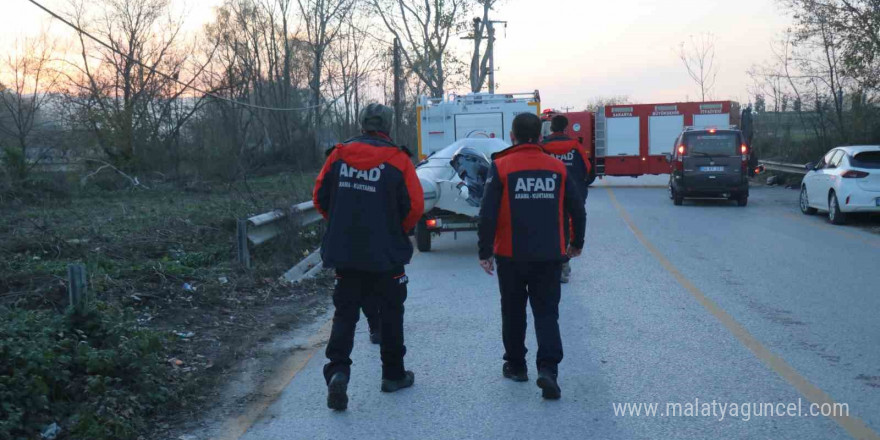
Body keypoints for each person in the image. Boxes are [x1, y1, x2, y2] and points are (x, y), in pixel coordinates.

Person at [313, 103, 424, 411]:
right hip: (386, 254)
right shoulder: (398, 159)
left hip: (346, 253)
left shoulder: (338, 155)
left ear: (361, 124)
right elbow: (415, 206)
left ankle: (337, 371)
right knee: (391, 312)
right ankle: (393, 375)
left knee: (345, 313)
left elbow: (319, 197)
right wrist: (395, 231)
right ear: (387, 126)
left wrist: (340, 224)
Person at [477, 112, 586, 400]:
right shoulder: (556, 168)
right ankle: (548, 370)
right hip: (550, 255)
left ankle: (516, 366)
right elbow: (578, 208)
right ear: (539, 137)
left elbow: (487, 213)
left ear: (512, 136)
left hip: (510, 256)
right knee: (547, 313)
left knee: (513, 312)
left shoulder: (500, 166)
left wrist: (484, 251)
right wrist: (576, 243)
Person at [541, 115, 591, 283]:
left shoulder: (543, 147)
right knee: (568, 228)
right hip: (573, 194)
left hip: (548, 194)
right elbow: (587, 169)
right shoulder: (576, 146)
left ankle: (549, 263)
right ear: (566, 128)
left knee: (548, 228)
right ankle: (564, 264)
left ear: (551, 128)